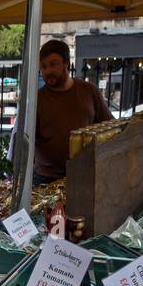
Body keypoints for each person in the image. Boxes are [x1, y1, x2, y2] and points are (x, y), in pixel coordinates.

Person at [33, 39, 112, 184]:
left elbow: (109, 128)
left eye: (53, 64)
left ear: (66, 64)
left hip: (84, 174)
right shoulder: (36, 99)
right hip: (46, 178)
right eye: (43, 66)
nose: (48, 71)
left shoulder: (89, 91)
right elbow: (26, 140)